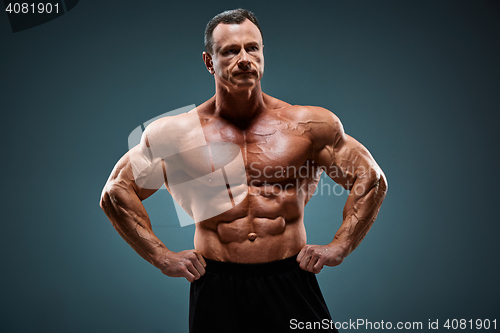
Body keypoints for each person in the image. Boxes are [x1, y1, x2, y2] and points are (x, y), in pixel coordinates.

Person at [100, 8, 388, 333]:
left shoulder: (307, 126)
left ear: (263, 53)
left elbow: (371, 179)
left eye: (252, 48)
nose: (244, 58)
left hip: (290, 278)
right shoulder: (177, 135)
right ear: (210, 62)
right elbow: (115, 194)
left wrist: (340, 245)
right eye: (230, 51)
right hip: (217, 284)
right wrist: (161, 257)